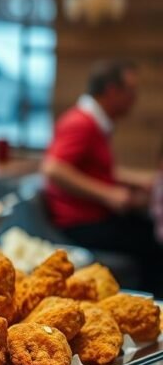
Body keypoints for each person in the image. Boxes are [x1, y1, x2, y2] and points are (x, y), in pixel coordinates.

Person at [42, 59, 162, 296]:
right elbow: (53, 168)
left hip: (94, 217)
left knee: (148, 229)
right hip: (79, 223)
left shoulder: (95, 122)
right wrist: (108, 194)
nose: (134, 99)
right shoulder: (81, 122)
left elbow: (96, 169)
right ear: (112, 91)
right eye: (130, 92)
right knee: (152, 242)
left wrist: (140, 180)